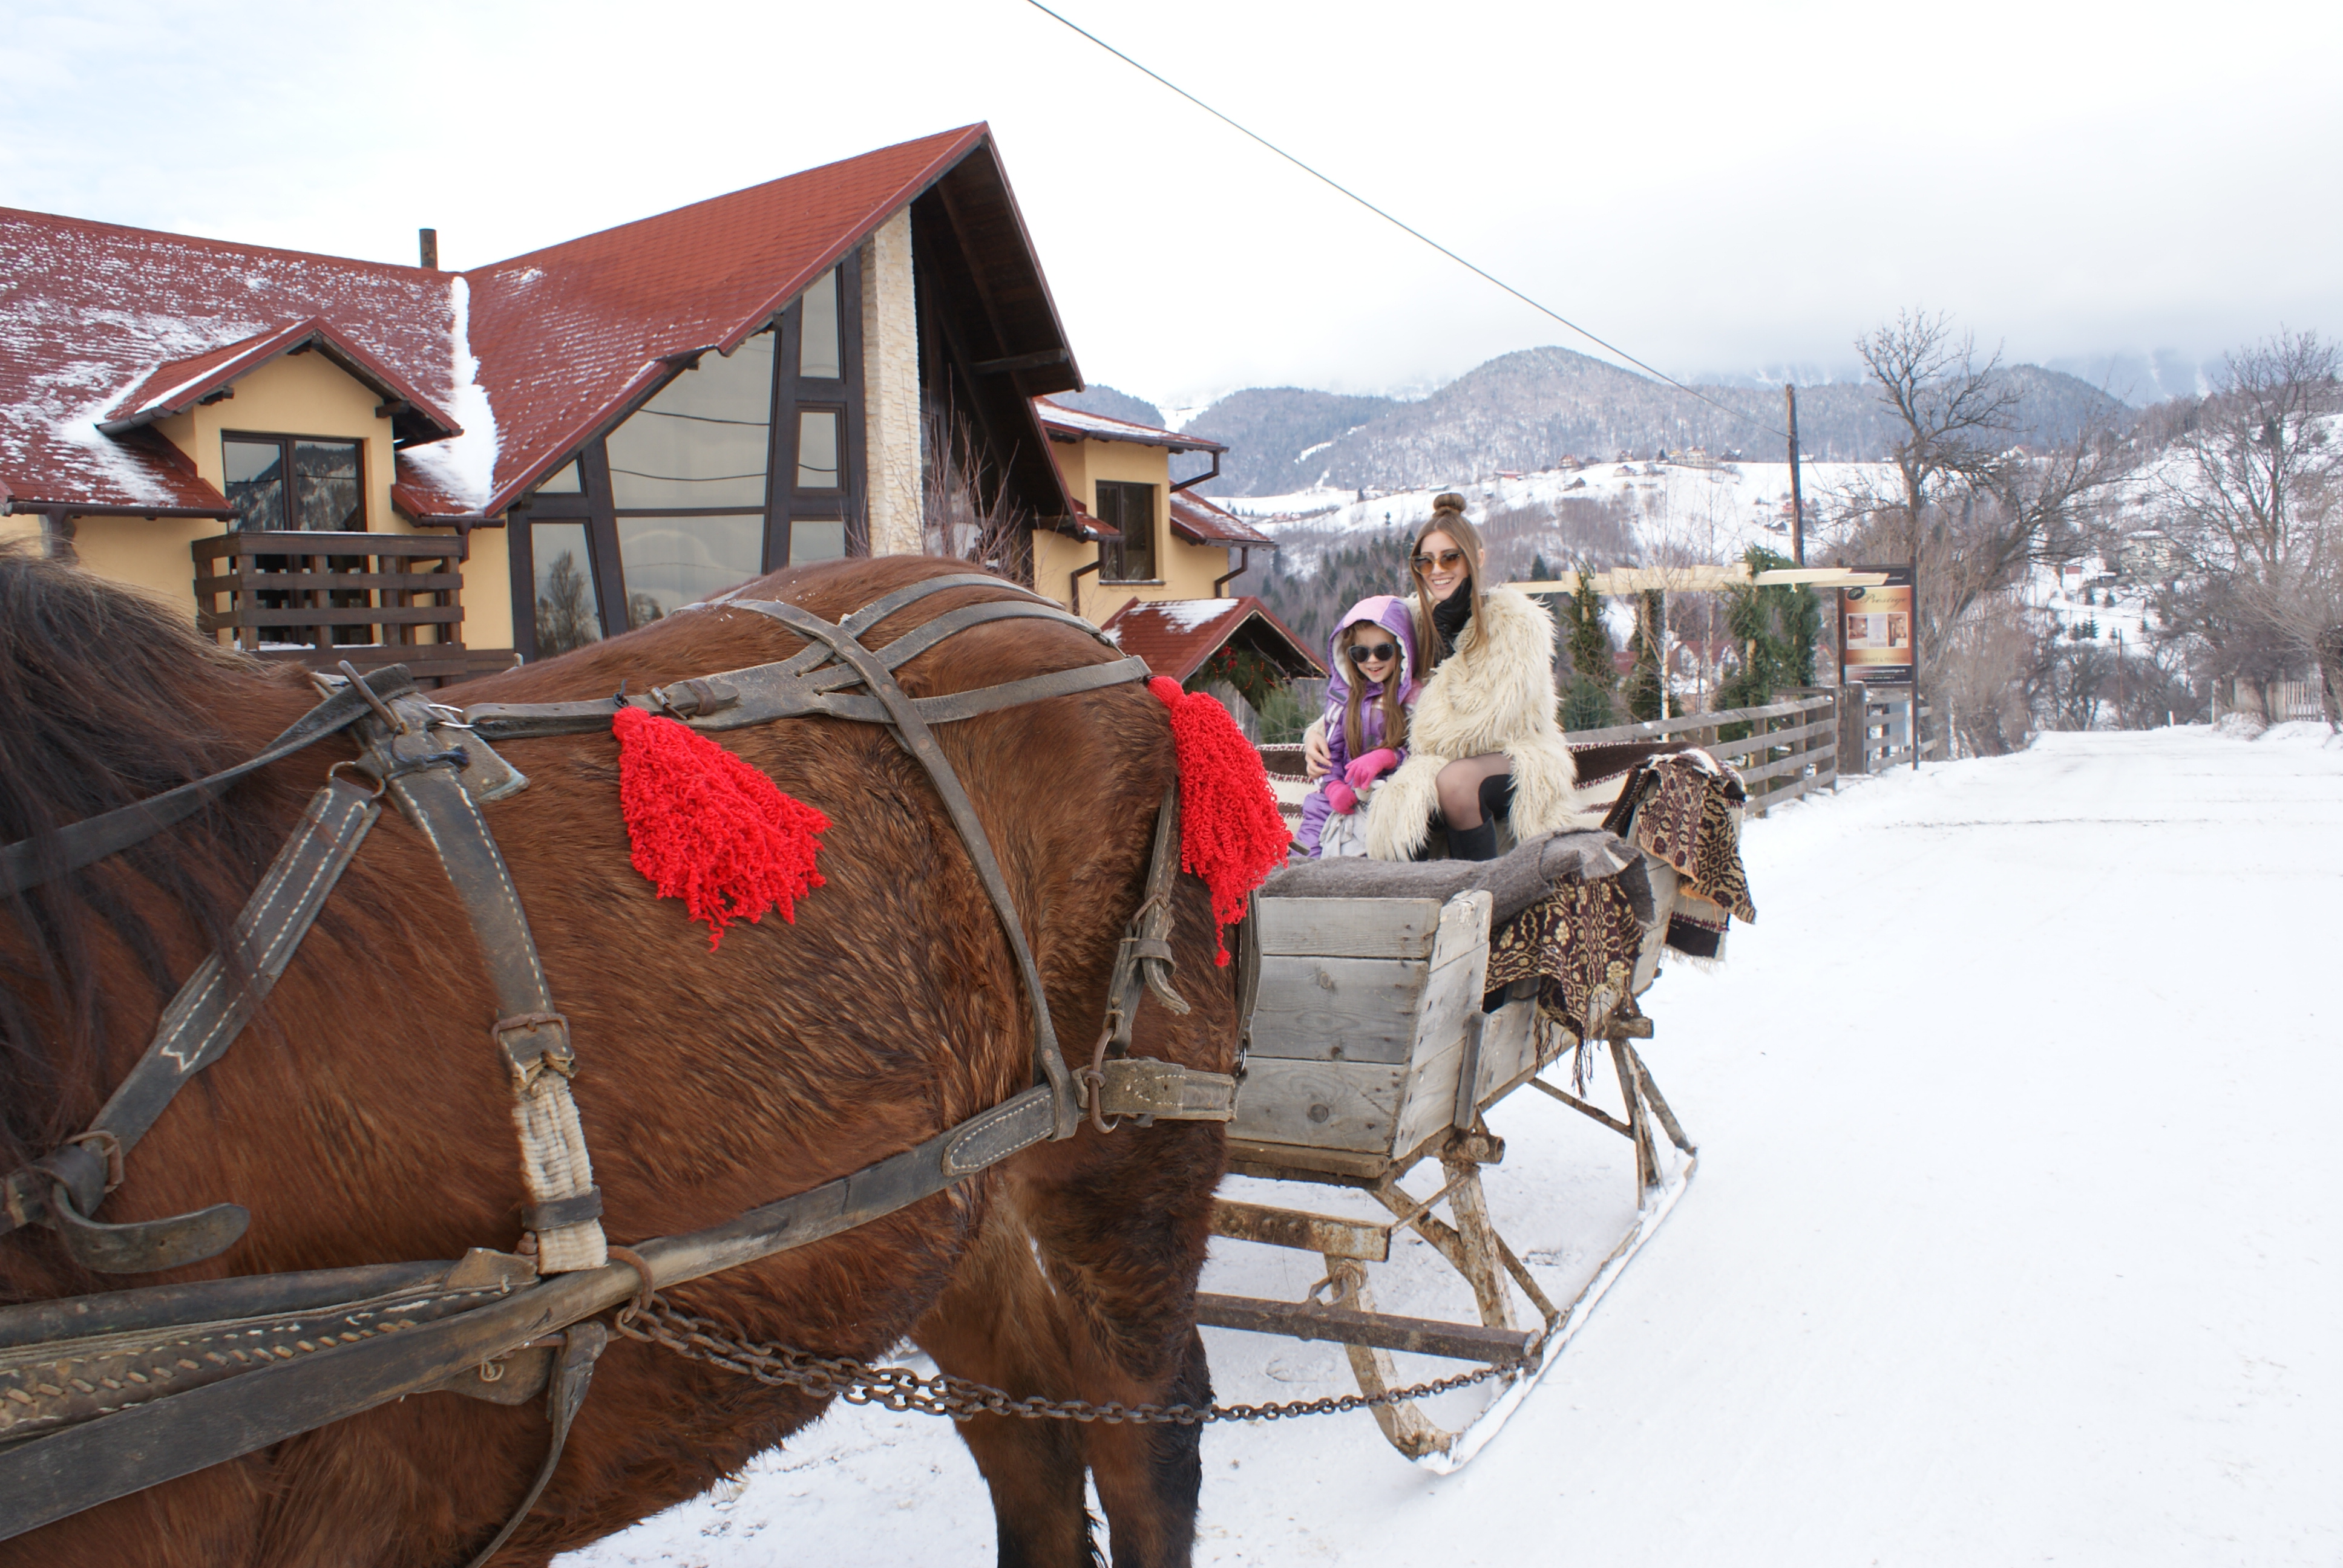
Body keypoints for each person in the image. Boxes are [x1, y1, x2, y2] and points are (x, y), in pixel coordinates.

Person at [1304, 494, 1592, 860]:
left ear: (1477, 558)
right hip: (1425, 760)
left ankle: (1484, 893)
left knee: (1452, 781)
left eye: (1450, 557)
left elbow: (1487, 721)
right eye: (1426, 561)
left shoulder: (1513, 623)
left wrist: (1396, 753)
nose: (1438, 569)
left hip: (1511, 752)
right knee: (1400, 792)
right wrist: (1318, 733)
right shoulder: (1411, 622)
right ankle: (1412, 897)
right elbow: (1366, 684)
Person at [1295, 596, 1419, 858]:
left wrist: (1389, 756)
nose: (1372, 661)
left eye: (1382, 651)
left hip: (1389, 796)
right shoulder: (1346, 698)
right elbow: (1332, 752)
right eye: (1361, 653)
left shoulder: (1412, 698)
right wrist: (1333, 787)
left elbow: (1423, 752)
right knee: (1313, 823)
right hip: (1344, 793)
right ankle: (1303, 879)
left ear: (1401, 650)